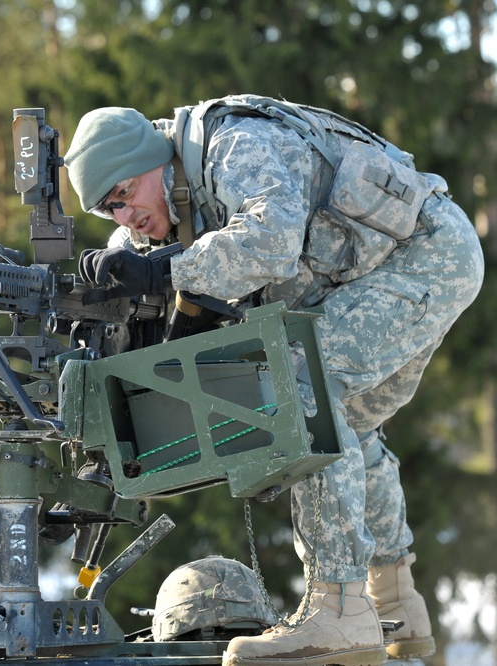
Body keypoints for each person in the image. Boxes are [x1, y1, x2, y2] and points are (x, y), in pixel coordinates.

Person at [63, 97, 484, 666]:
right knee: (349, 424)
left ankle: (338, 612)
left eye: (124, 194)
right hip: (392, 269)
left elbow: (272, 240)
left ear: (155, 159)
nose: (124, 216)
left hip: (425, 259)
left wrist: (163, 273)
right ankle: (395, 603)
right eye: (107, 210)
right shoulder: (159, 201)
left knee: (300, 389)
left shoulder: (237, 144)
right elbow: (130, 263)